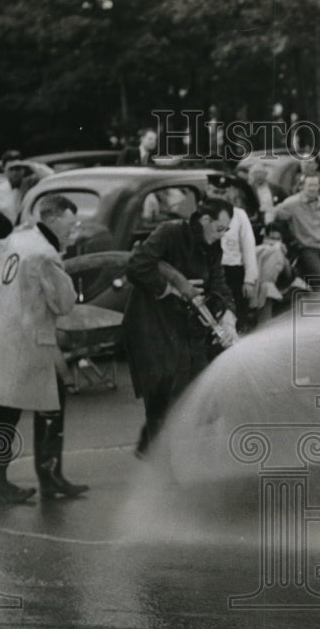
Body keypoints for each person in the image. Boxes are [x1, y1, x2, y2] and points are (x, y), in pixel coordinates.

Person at [0, 194, 88, 504]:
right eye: (70, 224)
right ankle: (48, 476)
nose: (72, 231)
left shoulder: (17, 238)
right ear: (54, 218)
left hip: (3, 335)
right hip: (31, 341)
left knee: (4, 411)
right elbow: (64, 303)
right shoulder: (46, 255)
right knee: (51, 404)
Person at [122, 197, 237, 456]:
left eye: (226, 230)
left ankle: (158, 447)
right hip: (151, 326)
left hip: (185, 329)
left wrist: (229, 314)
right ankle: (163, 465)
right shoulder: (170, 233)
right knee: (161, 393)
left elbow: (219, 283)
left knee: (200, 390)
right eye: (220, 228)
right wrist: (171, 288)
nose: (222, 235)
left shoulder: (212, 248)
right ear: (205, 220)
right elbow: (137, 266)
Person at [208, 175, 259, 333]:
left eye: (223, 192)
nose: (219, 196)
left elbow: (248, 247)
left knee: (237, 320)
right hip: (209, 272)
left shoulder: (239, 215)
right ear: (208, 190)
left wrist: (249, 280)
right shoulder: (201, 215)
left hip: (233, 273)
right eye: (215, 191)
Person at [272, 173, 320, 280]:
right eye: (309, 185)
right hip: (307, 247)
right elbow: (274, 214)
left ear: (319, 187)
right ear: (302, 186)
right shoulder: (292, 203)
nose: (313, 188)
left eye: (316, 185)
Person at [0, 150, 31, 224]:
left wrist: (31, 164)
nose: (15, 173)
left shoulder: (33, 188)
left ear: (24, 169)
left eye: (18, 168)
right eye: (11, 169)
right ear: (3, 169)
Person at [246, 161, 287, 235]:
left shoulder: (277, 189)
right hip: (257, 225)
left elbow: (286, 203)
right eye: (255, 174)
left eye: (260, 173)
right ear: (251, 176)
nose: (258, 176)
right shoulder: (248, 191)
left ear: (266, 174)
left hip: (276, 223)